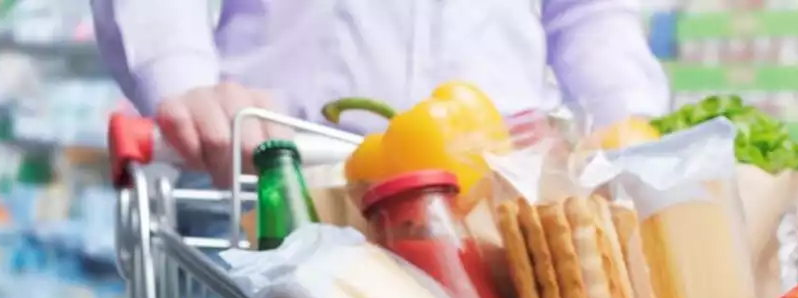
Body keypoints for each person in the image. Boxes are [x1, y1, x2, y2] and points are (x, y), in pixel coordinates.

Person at [92, 0, 670, 240]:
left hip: (495, 197)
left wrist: (629, 128)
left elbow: (589, 14)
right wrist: (183, 82)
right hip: (269, 174)